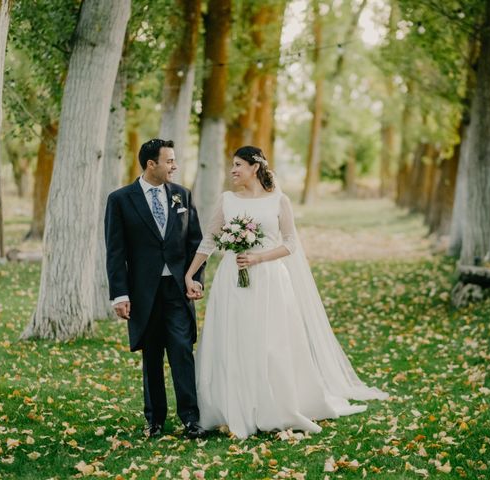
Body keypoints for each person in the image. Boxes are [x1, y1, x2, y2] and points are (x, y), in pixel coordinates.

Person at [184, 145, 388, 439]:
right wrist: (190, 273)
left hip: (269, 281)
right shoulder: (226, 200)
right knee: (234, 338)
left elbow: (291, 243)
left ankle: (273, 405)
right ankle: (233, 405)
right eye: (232, 165)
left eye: (238, 165)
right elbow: (210, 240)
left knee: (270, 342)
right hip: (232, 281)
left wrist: (258, 258)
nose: (233, 170)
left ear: (255, 167)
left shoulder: (279, 201)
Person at [104, 138, 207, 439]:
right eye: (170, 161)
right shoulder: (120, 199)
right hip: (143, 293)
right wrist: (120, 295)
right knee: (151, 356)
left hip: (177, 290)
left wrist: (196, 277)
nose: (175, 166)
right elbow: (115, 251)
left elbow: (195, 243)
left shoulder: (182, 196)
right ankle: (155, 420)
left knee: (181, 352)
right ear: (152, 164)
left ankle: (191, 418)